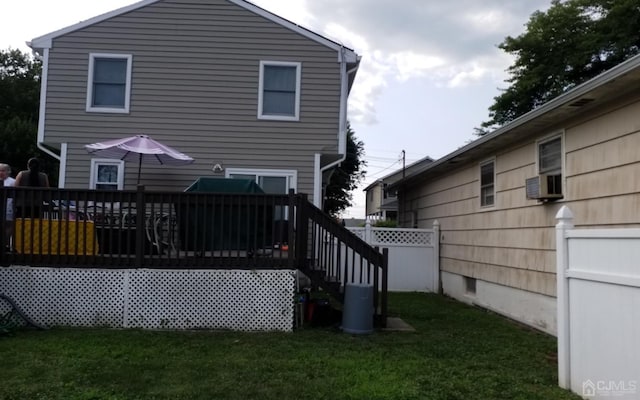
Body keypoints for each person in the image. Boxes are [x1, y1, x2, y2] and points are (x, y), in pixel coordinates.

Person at [0, 163, 15, 249]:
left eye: (3, 170)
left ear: (8, 172)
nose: (1, 172)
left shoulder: (12, 181)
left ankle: (6, 244)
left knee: (8, 226)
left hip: (9, 207)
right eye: (0, 170)